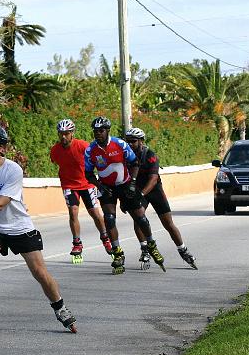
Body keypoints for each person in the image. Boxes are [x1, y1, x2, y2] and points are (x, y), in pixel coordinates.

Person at [0, 123, 77, 334]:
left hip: (18, 226)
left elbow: (0, 203)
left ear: (1, 148)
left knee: (39, 272)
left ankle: (60, 308)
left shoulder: (13, 170)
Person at [84, 116, 165, 274]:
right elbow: (88, 173)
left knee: (140, 218)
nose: (98, 134)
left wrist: (133, 183)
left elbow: (135, 163)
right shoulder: (90, 150)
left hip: (125, 183)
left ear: (108, 131)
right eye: (95, 131)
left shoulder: (120, 144)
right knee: (109, 218)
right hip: (106, 186)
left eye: (101, 131)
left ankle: (151, 244)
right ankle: (118, 253)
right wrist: (99, 185)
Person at [124, 127, 197, 270]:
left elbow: (153, 179)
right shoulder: (126, 157)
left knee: (168, 223)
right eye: (128, 142)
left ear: (141, 141)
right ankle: (145, 250)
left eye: (133, 141)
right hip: (138, 189)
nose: (130, 145)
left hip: (153, 190)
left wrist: (141, 195)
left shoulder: (150, 155)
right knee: (138, 220)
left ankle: (183, 250)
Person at [49, 118, 112, 263]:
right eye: (61, 134)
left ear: (72, 133)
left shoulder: (83, 146)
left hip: (86, 184)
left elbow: (98, 159)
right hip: (69, 185)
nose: (63, 137)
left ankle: (105, 237)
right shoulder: (55, 150)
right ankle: (77, 243)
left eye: (66, 133)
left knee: (95, 213)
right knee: (73, 212)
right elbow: (56, 161)